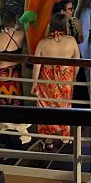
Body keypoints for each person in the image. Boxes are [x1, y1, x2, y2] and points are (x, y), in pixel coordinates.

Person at [32, 11, 81, 147]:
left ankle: (48, 140)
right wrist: (74, 77)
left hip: (47, 81)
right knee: (65, 107)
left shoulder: (43, 43)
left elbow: (36, 66)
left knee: (46, 107)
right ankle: (64, 137)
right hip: (66, 80)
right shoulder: (71, 41)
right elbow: (77, 62)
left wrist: (34, 83)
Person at [0, 10, 33, 143]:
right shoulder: (21, 35)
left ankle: (2, 132)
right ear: (15, 21)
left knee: (0, 105)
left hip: (0, 77)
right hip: (16, 75)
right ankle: (18, 131)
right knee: (16, 103)